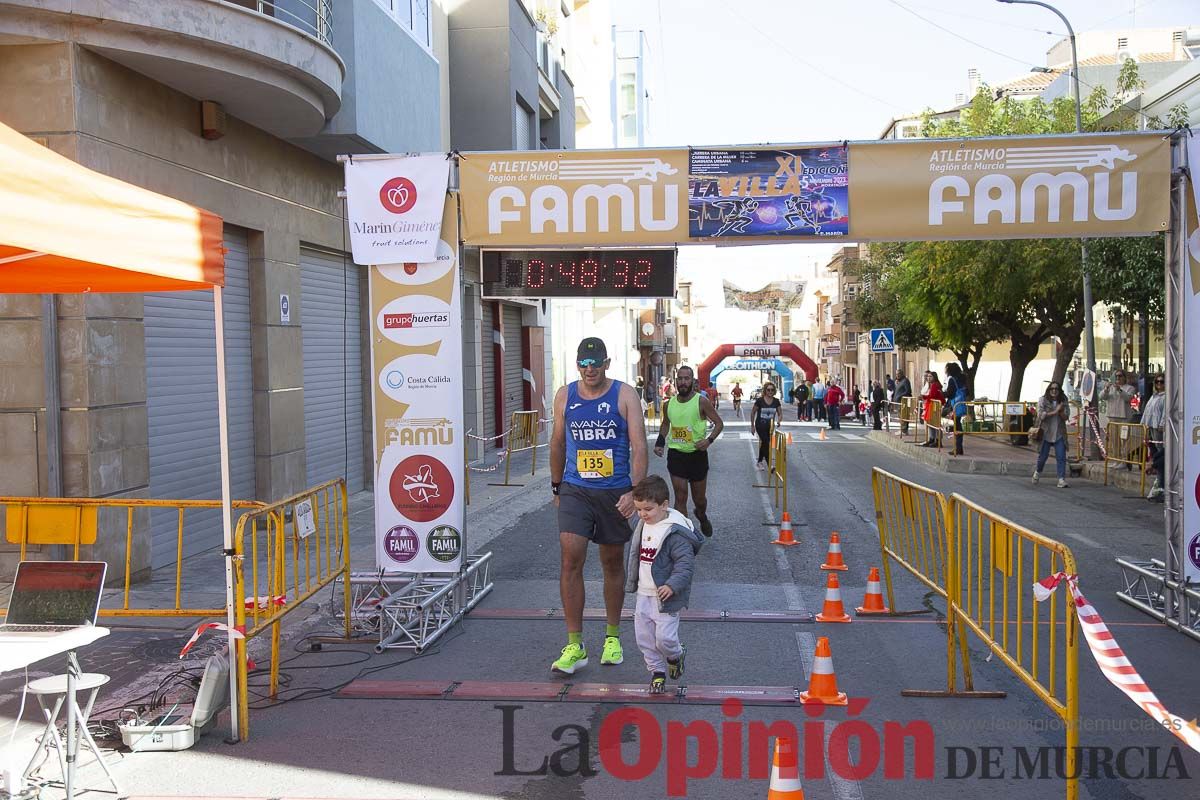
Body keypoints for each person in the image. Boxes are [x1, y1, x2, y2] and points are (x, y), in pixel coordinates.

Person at [549, 337, 648, 675]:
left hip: (614, 491)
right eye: (583, 363)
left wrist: (634, 492)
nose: (589, 369)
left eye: (595, 363)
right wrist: (556, 484)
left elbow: (638, 444)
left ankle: (612, 636)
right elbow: (558, 441)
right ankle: (575, 644)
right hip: (576, 489)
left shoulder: (624, 395)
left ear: (607, 363)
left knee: (611, 562)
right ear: (577, 365)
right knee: (570, 557)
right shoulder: (566, 395)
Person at [624, 475, 704, 694]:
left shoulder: (675, 532)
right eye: (639, 509)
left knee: (665, 639)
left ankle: (676, 654)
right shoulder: (642, 523)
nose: (642, 514)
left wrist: (672, 585)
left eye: (648, 509)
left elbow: (685, 565)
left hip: (666, 597)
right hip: (643, 593)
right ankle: (657, 672)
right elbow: (627, 517)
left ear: (664, 505)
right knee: (645, 638)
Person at [655, 366, 723, 537]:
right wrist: (660, 443)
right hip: (676, 455)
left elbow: (719, 423)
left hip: (697, 456)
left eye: (687, 379)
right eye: (680, 378)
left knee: (699, 500)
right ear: (676, 381)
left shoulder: (701, 401)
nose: (683, 382)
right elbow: (665, 424)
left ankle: (701, 515)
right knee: (680, 496)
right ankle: (683, 536)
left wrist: (708, 440)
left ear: (692, 381)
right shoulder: (669, 404)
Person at [1032, 381, 1070, 489]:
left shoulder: (1063, 400)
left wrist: (1061, 411)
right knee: (1043, 457)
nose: (1054, 391)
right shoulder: (1043, 400)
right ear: (1049, 390)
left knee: (1061, 457)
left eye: (1056, 389)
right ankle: (1038, 472)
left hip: (1059, 433)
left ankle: (1061, 479)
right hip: (1046, 433)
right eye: (1052, 389)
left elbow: (1066, 417)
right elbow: (1041, 415)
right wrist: (1055, 411)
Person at [1142, 374, 1166, 502]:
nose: (1159, 385)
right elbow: (1147, 413)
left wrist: (1162, 425)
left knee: (1162, 458)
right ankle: (1158, 485)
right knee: (1156, 455)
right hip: (1152, 428)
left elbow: (1166, 412)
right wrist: (1145, 428)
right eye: (1157, 382)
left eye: (1161, 382)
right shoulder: (1154, 396)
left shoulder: (1167, 396)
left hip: (1160, 430)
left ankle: (1161, 486)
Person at [751, 382, 782, 469]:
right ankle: (770, 465)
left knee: (765, 443)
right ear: (765, 390)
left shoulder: (776, 401)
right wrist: (752, 426)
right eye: (768, 390)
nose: (770, 391)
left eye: (772, 390)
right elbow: (753, 412)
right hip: (760, 425)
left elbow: (780, 413)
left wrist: (779, 421)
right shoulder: (760, 401)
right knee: (766, 442)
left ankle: (760, 462)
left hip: (770, 426)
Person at [943, 363, 968, 456]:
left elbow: (950, 393)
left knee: (957, 426)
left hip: (955, 405)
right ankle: (959, 448)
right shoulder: (963, 378)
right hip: (961, 403)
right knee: (958, 425)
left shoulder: (952, 379)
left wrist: (942, 393)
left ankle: (958, 448)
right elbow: (967, 391)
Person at [919, 370, 944, 447]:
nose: (928, 378)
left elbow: (932, 396)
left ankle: (937, 440)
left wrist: (923, 397)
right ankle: (932, 439)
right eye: (928, 376)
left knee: (935, 423)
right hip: (932, 405)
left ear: (934, 377)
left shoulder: (935, 385)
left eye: (930, 376)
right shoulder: (932, 385)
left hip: (934, 406)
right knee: (931, 423)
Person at [892, 370, 913, 435]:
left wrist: (900, 396)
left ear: (902, 374)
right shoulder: (899, 382)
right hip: (899, 402)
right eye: (896, 374)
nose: (897, 375)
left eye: (899, 374)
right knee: (900, 416)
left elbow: (908, 391)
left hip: (904, 401)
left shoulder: (905, 381)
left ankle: (904, 430)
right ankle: (902, 429)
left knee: (904, 415)